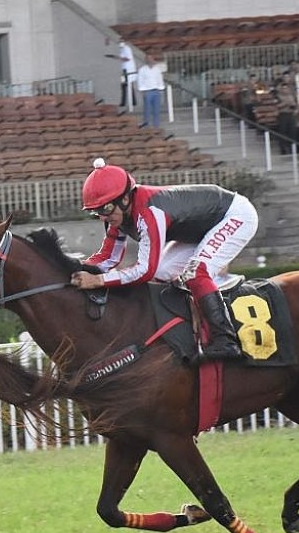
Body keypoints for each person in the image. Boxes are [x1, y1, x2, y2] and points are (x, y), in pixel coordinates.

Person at [70, 158, 258, 361]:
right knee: (162, 273)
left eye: (105, 209)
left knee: (196, 273)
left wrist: (98, 280)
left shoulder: (149, 212)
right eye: (96, 211)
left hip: (234, 214)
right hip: (200, 227)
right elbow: (107, 258)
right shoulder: (117, 215)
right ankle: (185, 328)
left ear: (125, 199)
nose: (102, 217)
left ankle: (226, 341)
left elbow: (144, 270)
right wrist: (71, 270)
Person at [136, 53, 165, 129]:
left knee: (156, 109)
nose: (149, 60)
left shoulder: (157, 69)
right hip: (147, 91)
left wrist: (161, 89)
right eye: (148, 58)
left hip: (156, 91)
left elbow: (159, 79)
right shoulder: (142, 70)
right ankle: (147, 124)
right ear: (145, 60)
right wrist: (142, 90)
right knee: (147, 109)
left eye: (151, 58)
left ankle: (156, 125)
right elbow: (140, 80)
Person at [117, 38, 137, 111]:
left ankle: (131, 101)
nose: (120, 43)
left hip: (128, 69)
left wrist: (119, 58)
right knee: (124, 85)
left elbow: (128, 58)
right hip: (124, 69)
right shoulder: (122, 49)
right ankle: (128, 101)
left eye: (121, 41)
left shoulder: (127, 48)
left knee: (128, 85)